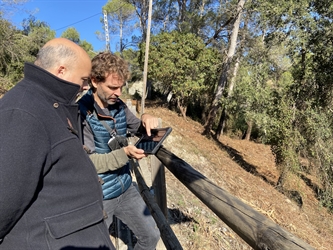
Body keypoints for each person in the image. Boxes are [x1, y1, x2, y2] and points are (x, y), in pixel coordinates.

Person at [0, 38, 115, 250]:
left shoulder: (46, 103)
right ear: (61, 70)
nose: (85, 86)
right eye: (83, 79)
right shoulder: (23, 112)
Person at [78, 52, 160, 250]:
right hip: (99, 196)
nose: (119, 93)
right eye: (113, 87)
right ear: (95, 81)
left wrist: (146, 117)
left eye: (121, 87)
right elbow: (88, 162)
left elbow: (137, 127)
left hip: (125, 186)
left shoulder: (119, 105)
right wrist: (125, 154)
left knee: (151, 236)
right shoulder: (80, 113)